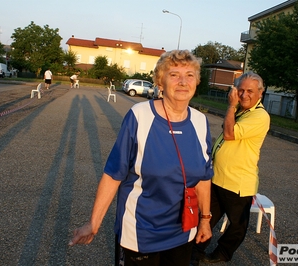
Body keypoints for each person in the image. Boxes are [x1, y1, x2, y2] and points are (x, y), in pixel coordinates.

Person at [69, 50, 214, 266]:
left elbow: (203, 177)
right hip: (140, 232)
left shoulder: (201, 122)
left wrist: (204, 220)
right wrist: (94, 222)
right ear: (160, 81)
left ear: (197, 81)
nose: (183, 81)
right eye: (174, 74)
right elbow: (113, 174)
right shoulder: (139, 116)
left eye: (190, 75)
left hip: (183, 231)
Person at [191, 71, 270, 265]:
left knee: (237, 225)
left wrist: (231, 105)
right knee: (206, 218)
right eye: (240, 90)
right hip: (218, 177)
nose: (244, 95)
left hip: (238, 182)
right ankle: (194, 251)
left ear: (260, 93)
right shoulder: (242, 111)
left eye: (250, 91)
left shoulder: (260, 116)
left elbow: (228, 133)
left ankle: (223, 253)